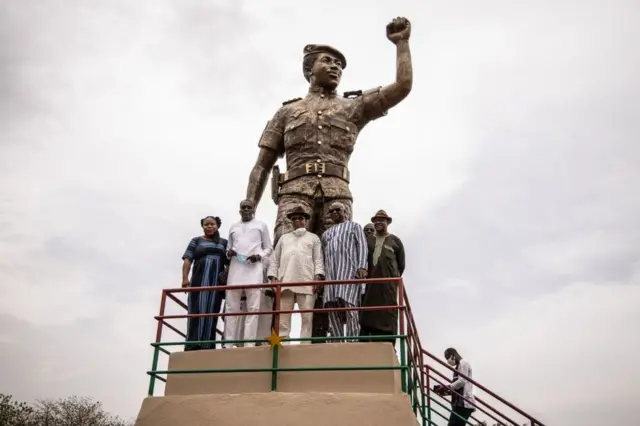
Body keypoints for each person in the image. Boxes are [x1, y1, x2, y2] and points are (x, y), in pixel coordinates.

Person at [245, 17, 414, 242]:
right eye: (327, 61)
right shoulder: (287, 112)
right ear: (310, 69)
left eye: (339, 64)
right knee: (289, 251)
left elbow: (402, 87)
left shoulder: (353, 107)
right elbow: (262, 165)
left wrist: (402, 44)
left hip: (337, 195)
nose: (335, 67)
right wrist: (249, 211)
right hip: (294, 193)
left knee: (337, 252)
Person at [268, 206, 325, 343]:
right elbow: (275, 260)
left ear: (305, 220)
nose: (297, 221)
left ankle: (304, 345)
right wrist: (273, 278)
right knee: (283, 317)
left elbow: (318, 259)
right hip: (286, 281)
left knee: (306, 317)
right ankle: (283, 345)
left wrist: (317, 276)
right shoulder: (284, 238)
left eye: (300, 218)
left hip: (306, 281)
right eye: (294, 219)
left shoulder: (313, 238)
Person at [225, 200, 273, 348]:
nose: (246, 210)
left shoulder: (261, 225)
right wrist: (229, 252)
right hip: (235, 270)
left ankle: (249, 343)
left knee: (253, 308)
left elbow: (269, 248)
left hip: (254, 270)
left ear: (253, 210)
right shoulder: (233, 227)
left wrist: (260, 256)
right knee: (231, 307)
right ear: (239, 210)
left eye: (249, 207)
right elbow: (228, 250)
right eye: (243, 208)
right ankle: (228, 343)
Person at [181, 216, 229, 351]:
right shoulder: (196, 241)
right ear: (202, 226)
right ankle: (192, 344)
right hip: (199, 281)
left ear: (217, 226)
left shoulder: (224, 242)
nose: (209, 226)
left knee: (212, 312)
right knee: (196, 310)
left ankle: (208, 345)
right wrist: (185, 279)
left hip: (216, 283)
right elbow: (187, 260)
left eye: (212, 224)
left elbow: (230, 261)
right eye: (206, 224)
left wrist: (226, 274)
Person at [321, 201, 368, 340]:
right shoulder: (326, 234)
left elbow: (362, 247)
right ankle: (337, 341)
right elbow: (323, 255)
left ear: (345, 212)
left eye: (337, 210)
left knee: (350, 308)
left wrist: (362, 267)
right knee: (332, 308)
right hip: (331, 276)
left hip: (349, 273)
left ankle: (353, 341)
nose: (335, 213)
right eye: (332, 211)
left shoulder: (354, 227)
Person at [360, 210, 405, 346]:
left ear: (387, 222)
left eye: (382, 220)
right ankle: (366, 342)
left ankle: (389, 344)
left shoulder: (395, 241)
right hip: (370, 285)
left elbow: (401, 265)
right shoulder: (367, 241)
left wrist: (391, 276)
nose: (378, 222)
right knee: (368, 311)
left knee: (388, 311)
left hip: (388, 286)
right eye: (376, 221)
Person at [443, 347, 476, 426]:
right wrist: (446, 391)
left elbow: (462, 381)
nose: (448, 361)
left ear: (453, 355)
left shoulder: (463, 363)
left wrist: (448, 387)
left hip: (463, 403)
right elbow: (458, 386)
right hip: (459, 403)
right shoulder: (459, 366)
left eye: (448, 358)